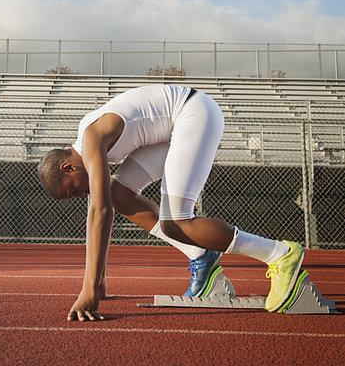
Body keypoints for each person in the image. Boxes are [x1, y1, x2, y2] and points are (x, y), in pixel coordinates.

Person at [38, 84, 304, 322]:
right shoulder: (90, 137)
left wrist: (89, 287)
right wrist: (100, 277)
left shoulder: (91, 137)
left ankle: (279, 254)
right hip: (171, 128)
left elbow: (100, 209)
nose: (80, 195)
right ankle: (201, 254)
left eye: (72, 191)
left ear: (68, 167)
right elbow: (107, 204)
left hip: (193, 112)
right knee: (120, 194)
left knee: (176, 220)